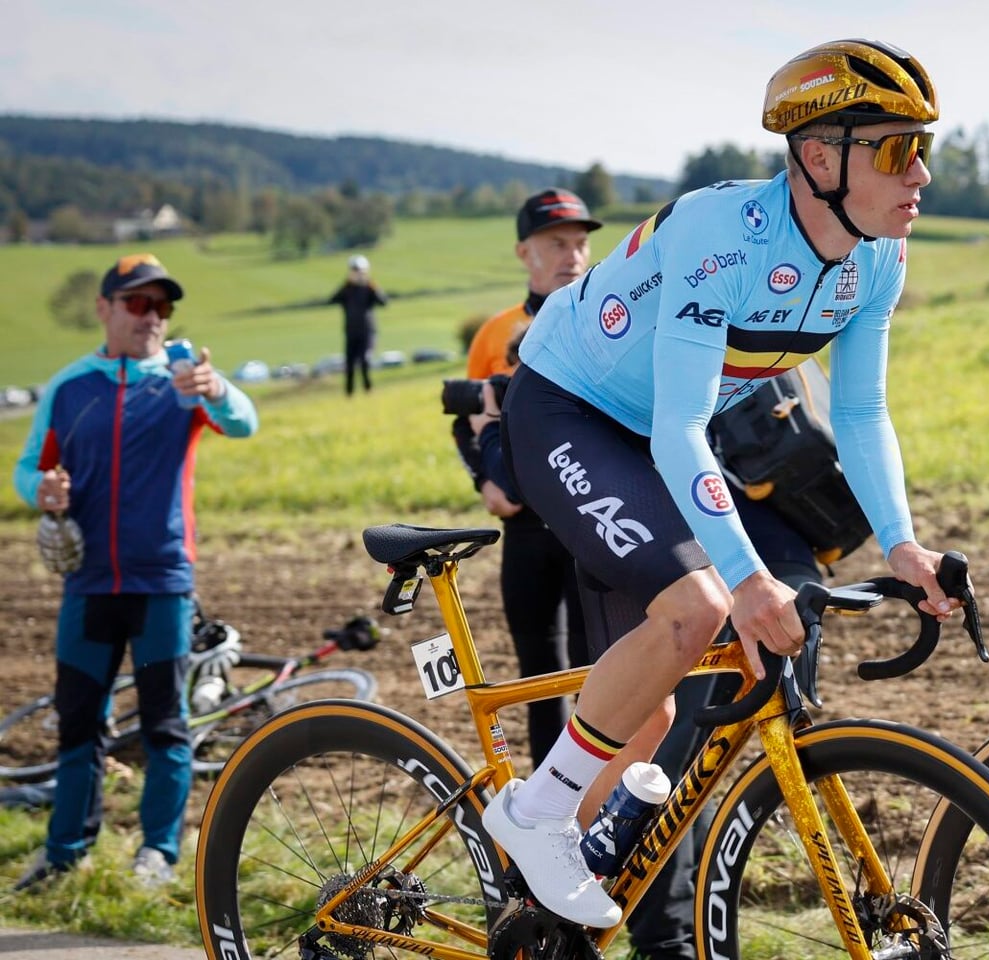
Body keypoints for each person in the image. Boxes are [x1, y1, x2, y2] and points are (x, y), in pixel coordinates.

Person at [478, 38, 954, 930]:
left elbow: (860, 414)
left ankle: (536, 923)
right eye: (896, 149)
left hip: (653, 435)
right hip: (571, 410)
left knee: (648, 713)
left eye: (926, 147)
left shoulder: (877, 258)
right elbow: (680, 429)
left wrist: (903, 544)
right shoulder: (718, 234)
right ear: (821, 156)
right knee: (700, 606)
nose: (921, 173)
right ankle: (534, 813)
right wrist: (744, 580)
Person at [11, 253, 259, 889]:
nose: (153, 316)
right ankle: (66, 853)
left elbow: (243, 422)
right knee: (78, 721)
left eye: (163, 306)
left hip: (161, 586)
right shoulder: (69, 388)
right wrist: (42, 490)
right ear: (105, 308)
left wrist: (216, 387)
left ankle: (158, 856)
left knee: (164, 724)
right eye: (138, 303)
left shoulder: (182, 381)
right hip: (88, 586)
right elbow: (26, 470)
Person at [457, 187, 603, 759]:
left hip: (595, 524)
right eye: (556, 243)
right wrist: (485, 482)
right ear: (524, 252)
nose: (572, 255)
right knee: (539, 679)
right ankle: (544, 825)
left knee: (602, 674)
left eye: (580, 243)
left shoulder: (606, 318)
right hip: (524, 529)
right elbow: (466, 420)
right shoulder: (494, 336)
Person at [329, 253, 388, 396]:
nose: (358, 274)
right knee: (349, 364)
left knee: (364, 361)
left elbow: (383, 302)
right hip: (351, 332)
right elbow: (332, 299)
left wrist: (372, 285)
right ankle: (349, 393)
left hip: (367, 331)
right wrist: (347, 284)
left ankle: (368, 389)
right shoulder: (347, 289)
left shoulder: (369, 288)